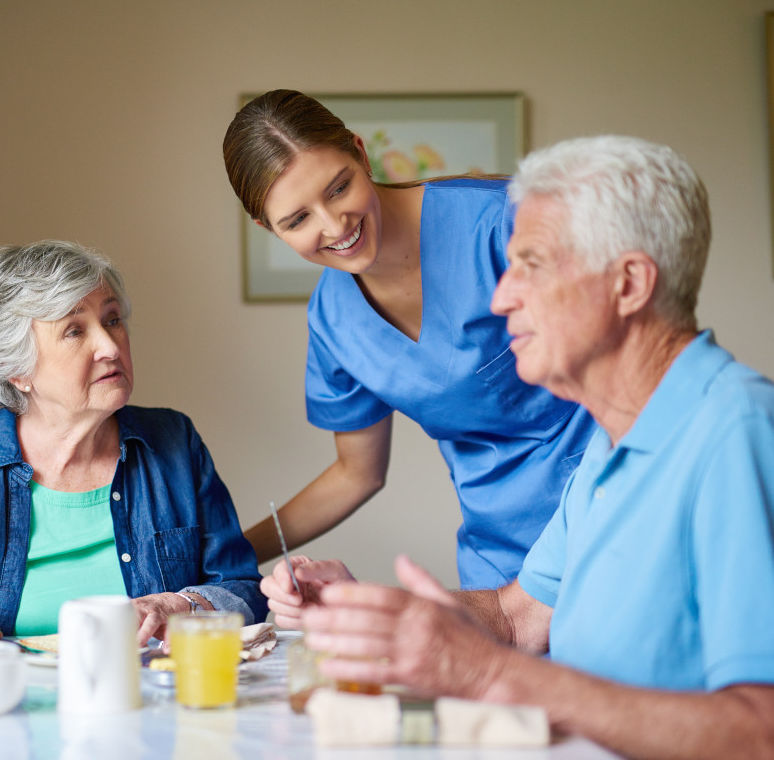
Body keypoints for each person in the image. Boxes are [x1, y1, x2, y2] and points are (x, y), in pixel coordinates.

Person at [264, 136, 774, 759]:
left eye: (529, 265)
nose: (499, 298)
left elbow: (761, 730)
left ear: (630, 283)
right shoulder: (610, 450)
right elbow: (516, 618)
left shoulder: (735, 433)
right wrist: (366, 607)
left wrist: (488, 674)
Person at [223, 90, 597, 590]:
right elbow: (356, 474)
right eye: (297, 220)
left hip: (613, 515)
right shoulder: (334, 320)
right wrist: (227, 557)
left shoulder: (506, 224)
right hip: (502, 562)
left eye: (338, 188)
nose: (335, 226)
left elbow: (642, 369)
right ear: (267, 228)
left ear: (359, 151)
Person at [0, 240, 264, 645]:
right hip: (13, 701)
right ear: (17, 370)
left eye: (112, 320)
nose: (109, 347)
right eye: (75, 330)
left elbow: (243, 589)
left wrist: (181, 605)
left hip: (150, 696)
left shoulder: (175, 444)